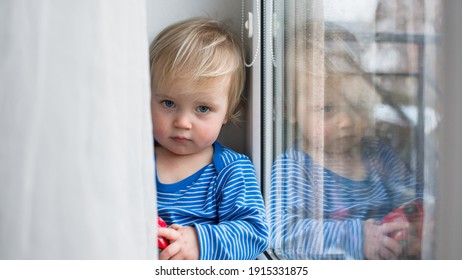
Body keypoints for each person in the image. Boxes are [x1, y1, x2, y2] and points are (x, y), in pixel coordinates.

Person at [268, 22, 422, 260]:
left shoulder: (376, 152)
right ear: (292, 110)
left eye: (356, 104)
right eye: (327, 108)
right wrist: (359, 238)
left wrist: (414, 226)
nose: (346, 121)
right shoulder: (294, 167)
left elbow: (414, 195)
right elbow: (282, 234)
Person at [149, 17, 269, 260]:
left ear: (228, 111)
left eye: (202, 108)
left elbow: (255, 234)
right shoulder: (136, 160)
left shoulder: (231, 170)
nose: (182, 122)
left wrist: (199, 242)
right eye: (168, 103)